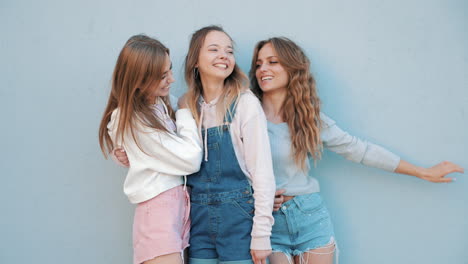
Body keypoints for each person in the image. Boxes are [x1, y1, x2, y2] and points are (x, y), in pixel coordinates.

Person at [249, 37, 464, 264]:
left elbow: (360, 150)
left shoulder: (309, 119)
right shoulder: (245, 116)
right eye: (259, 64)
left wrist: (422, 171)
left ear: (292, 68)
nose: (263, 69)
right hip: (267, 222)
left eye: (273, 62)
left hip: (309, 216)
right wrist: (252, 197)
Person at [98, 35, 203, 264]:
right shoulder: (133, 119)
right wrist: (185, 112)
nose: (172, 79)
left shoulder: (159, 103)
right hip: (158, 212)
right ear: (138, 79)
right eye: (162, 76)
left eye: (170, 70)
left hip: (177, 208)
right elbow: (190, 159)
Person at [182, 26, 276, 264]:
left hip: (238, 218)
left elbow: (262, 172)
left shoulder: (245, 103)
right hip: (198, 219)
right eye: (214, 49)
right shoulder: (185, 106)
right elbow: (161, 144)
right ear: (195, 60)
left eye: (229, 51)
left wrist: (261, 235)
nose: (224, 55)